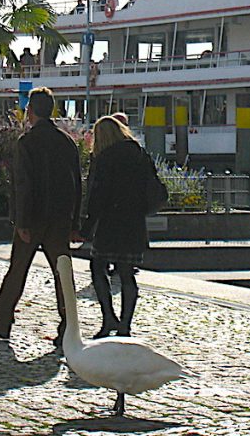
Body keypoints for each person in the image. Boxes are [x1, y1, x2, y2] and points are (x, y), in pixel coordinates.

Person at [0, 87, 82, 349]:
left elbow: (23, 185)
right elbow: (76, 184)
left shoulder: (26, 143)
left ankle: (3, 320)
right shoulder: (66, 142)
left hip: (34, 218)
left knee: (17, 270)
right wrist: (76, 224)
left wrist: (21, 222)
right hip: (60, 218)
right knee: (63, 275)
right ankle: (69, 327)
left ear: (30, 111)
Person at [81, 115, 156, 338]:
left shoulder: (104, 159)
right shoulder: (139, 154)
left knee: (98, 269)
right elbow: (153, 186)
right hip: (134, 222)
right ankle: (125, 325)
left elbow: (97, 196)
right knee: (126, 274)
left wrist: (86, 227)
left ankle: (108, 318)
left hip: (110, 223)